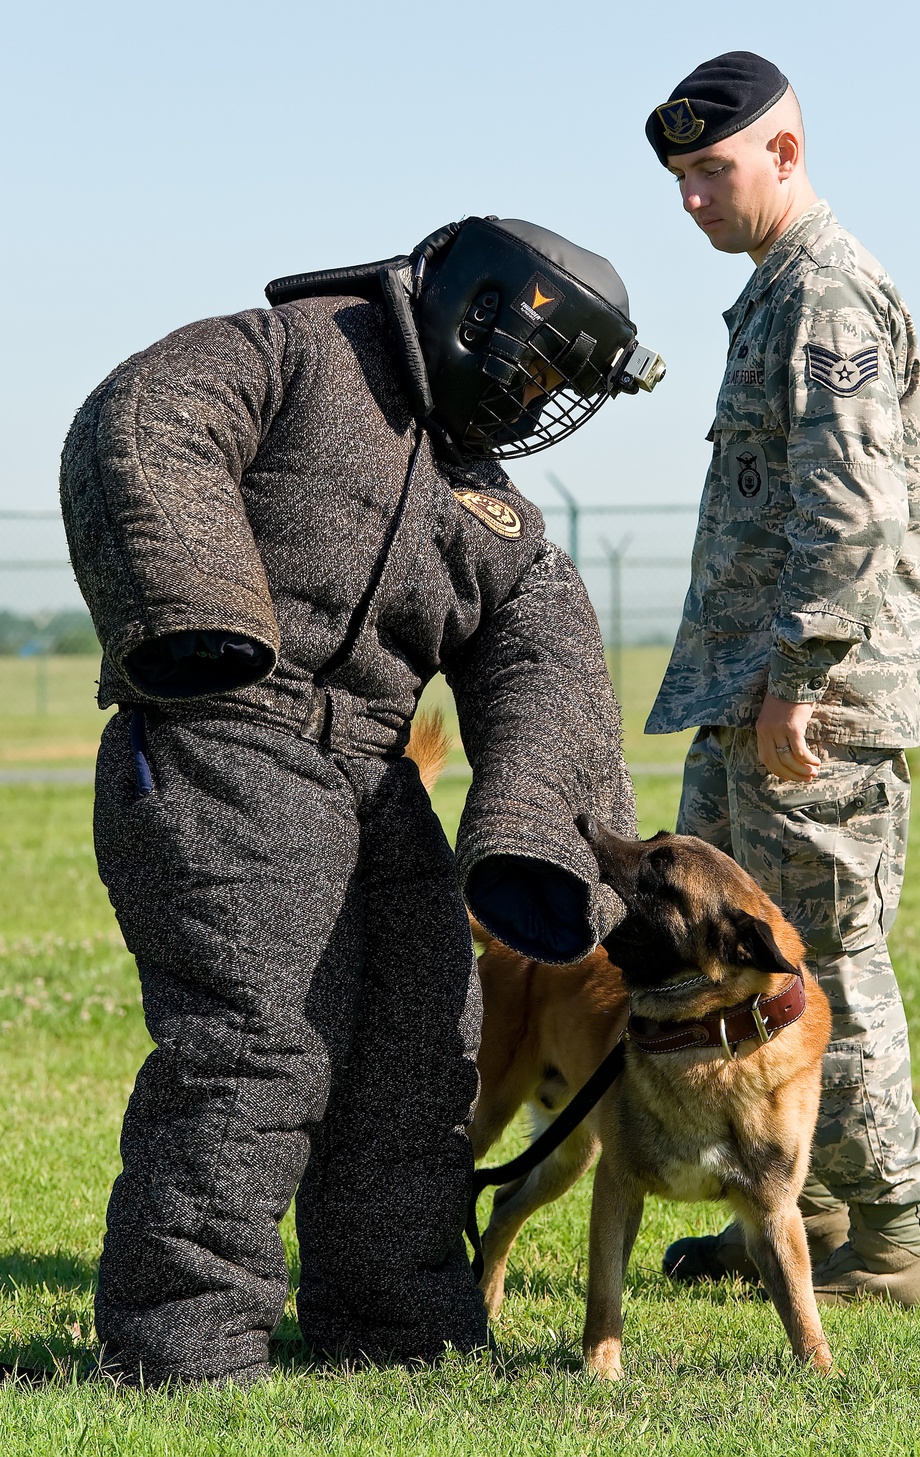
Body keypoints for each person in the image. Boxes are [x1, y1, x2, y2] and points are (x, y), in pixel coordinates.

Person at [60, 215, 664, 1385]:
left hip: (378, 776)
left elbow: (546, 656)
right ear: (480, 312)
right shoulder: (294, 349)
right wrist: (196, 611)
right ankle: (182, 1350)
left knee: (419, 1056)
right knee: (256, 1047)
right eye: (539, 362)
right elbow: (144, 416)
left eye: (561, 382)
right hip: (224, 728)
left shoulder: (489, 508)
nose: (539, 394)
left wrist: (534, 834)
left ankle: (399, 1334)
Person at [643, 53, 920, 1305]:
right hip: (748, 695)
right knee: (737, 966)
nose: (692, 199)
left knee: (823, 955)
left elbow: (852, 511)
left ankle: (891, 1241)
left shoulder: (825, 294)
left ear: (783, 149)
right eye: (677, 178)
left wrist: (799, 679)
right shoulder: (774, 291)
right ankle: (803, 1208)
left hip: (805, 709)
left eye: (711, 170)